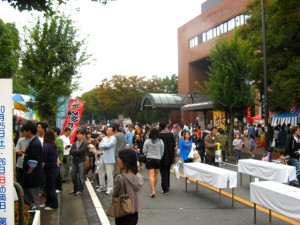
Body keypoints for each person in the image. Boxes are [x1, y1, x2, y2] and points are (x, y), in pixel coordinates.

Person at [114, 149, 144, 225]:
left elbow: (114, 195)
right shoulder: (139, 177)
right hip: (134, 213)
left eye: (119, 158)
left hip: (123, 212)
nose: (118, 160)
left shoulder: (120, 178)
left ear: (125, 161)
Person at [22, 121, 43, 210]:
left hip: (33, 174)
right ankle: (33, 207)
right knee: (28, 191)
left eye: (24, 131)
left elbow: (34, 161)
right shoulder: (33, 141)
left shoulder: (35, 143)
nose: (23, 133)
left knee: (34, 193)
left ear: (29, 131)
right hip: (31, 173)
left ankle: (37, 211)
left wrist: (28, 172)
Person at [143, 128, 164, 198]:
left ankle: (152, 191)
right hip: (158, 159)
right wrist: (159, 156)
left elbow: (144, 151)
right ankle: (154, 188)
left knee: (151, 175)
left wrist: (147, 155)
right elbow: (162, 151)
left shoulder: (147, 141)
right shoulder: (160, 141)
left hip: (149, 159)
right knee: (156, 174)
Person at [40, 130, 59, 210]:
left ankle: (54, 205)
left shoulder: (46, 146)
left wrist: (40, 170)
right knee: (48, 187)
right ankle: (48, 203)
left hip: (49, 169)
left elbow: (43, 160)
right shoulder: (53, 145)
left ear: (46, 136)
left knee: (50, 188)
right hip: (54, 169)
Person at [98, 126, 117, 194]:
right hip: (103, 156)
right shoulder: (104, 138)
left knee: (109, 173)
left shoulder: (113, 138)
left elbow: (109, 145)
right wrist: (104, 145)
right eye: (107, 130)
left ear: (113, 131)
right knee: (100, 171)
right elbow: (99, 145)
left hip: (109, 157)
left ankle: (110, 188)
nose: (108, 131)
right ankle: (102, 186)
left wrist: (103, 145)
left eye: (109, 130)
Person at [69, 129, 89, 196]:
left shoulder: (85, 143)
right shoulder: (74, 143)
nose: (79, 136)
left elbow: (81, 151)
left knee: (81, 177)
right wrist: (76, 151)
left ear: (83, 135)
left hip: (81, 161)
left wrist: (75, 151)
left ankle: (81, 190)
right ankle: (75, 189)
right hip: (74, 161)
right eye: (78, 134)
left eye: (81, 134)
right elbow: (70, 152)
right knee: (73, 176)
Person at [158, 123, 176, 195]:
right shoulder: (170, 134)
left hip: (162, 156)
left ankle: (165, 188)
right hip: (170, 155)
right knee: (168, 171)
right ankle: (167, 185)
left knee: (163, 172)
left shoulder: (159, 135)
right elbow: (174, 145)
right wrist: (174, 156)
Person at [52, 127, 63, 193]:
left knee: (58, 174)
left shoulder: (58, 139)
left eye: (52, 132)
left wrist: (53, 147)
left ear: (55, 133)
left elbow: (60, 148)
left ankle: (58, 187)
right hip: (56, 159)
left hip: (58, 159)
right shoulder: (55, 139)